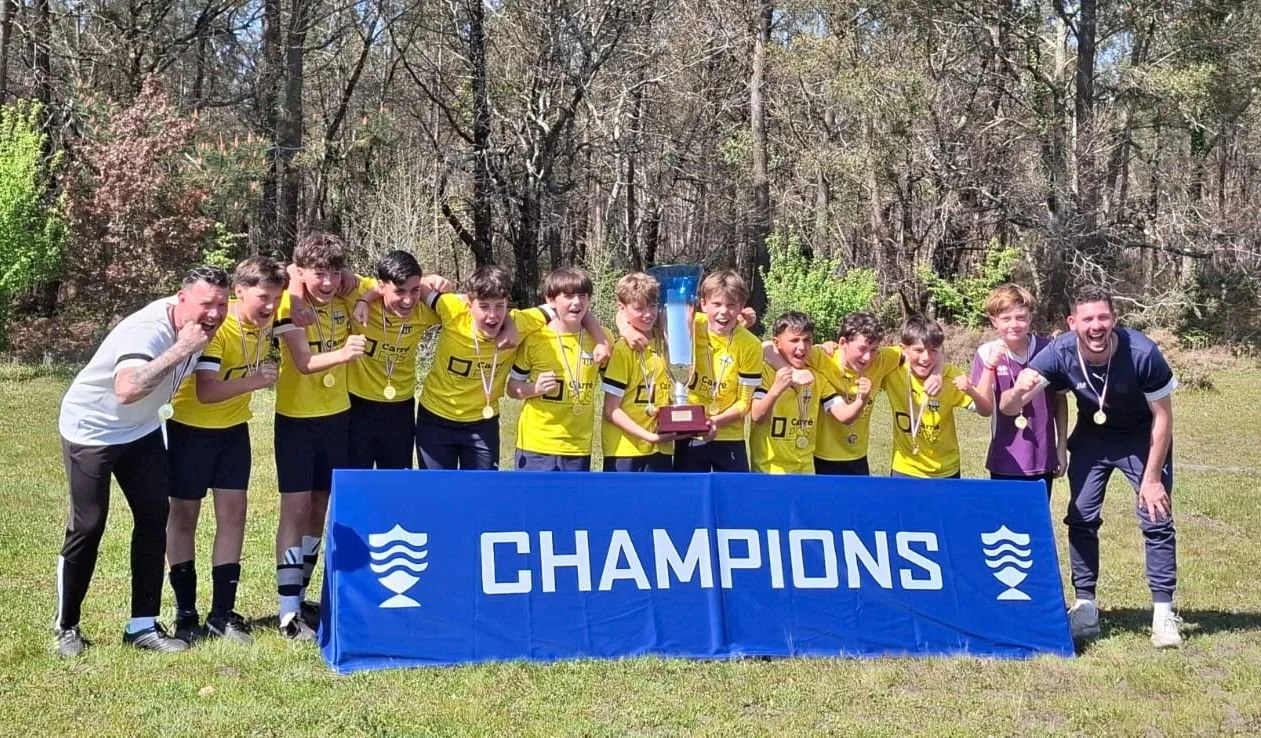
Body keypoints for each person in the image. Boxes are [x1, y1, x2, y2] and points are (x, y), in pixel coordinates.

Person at [54, 265, 229, 656]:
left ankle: (143, 626)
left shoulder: (204, 323)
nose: (214, 314)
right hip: (93, 429)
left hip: (141, 430)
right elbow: (127, 389)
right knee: (89, 524)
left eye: (221, 304)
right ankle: (66, 626)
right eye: (206, 304)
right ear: (181, 299)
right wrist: (183, 348)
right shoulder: (148, 330)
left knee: (154, 518)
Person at [1002, 284, 1181, 648]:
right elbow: (1007, 407)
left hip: (1140, 436)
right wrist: (1019, 391)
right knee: (1081, 517)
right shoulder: (1061, 352)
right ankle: (1085, 606)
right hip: (1093, 438)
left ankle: (1164, 614)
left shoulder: (1143, 353)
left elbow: (1163, 418)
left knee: (1156, 514)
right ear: (1073, 322)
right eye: (1087, 319)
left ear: (1114, 319)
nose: (1095, 326)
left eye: (1103, 317)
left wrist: (1151, 478)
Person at [165, 257, 285, 646]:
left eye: (276, 298)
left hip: (234, 431)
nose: (270, 306)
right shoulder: (221, 327)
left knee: (234, 516)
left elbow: (308, 276)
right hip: (190, 430)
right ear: (239, 292)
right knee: (183, 519)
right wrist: (253, 381)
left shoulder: (266, 319)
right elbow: (206, 390)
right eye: (262, 297)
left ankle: (222, 613)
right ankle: (185, 613)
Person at [271, 232, 367, 639]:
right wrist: (345, 353)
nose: (327, 283)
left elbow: (374, 286)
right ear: (303, 272)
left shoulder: (344, 295)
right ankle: (287, 612)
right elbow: (304, 361)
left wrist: (360, 295)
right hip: (296, 418)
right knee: (293, 510)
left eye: (333, 273)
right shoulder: (286, 304)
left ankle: (303, 594)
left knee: (319, 507)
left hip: (338, 417)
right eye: (317, 274)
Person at [344, 251, 444, 470]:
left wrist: (433, 284)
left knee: (395, 481)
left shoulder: (425, 309)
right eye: (399, 291)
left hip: (400, 407)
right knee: (356, 479)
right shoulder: (359, 292)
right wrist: (363, 298)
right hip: (357, 404)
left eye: (414, 290)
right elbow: (303, 272)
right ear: (381, 286)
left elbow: (465, 309)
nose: (408, 300)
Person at [507, 267, 610, 471]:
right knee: (532, 503)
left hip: (578, 446)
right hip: (536, 445)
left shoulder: (603, 339)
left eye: (582, 296)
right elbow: (512, 387)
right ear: (551, 300)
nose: (577, 302)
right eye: (569, 296)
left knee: (572, 503)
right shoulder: (536, 338)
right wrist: (534, 388)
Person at [970, 284, 1067, 498]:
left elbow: (1060, 399)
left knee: (1036, 521)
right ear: (994, 321)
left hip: (1042, 457)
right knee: (1004, 523)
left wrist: (1061, 447)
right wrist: (990, 368)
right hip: (1005, 458)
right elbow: (982, 406)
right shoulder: (987, 353)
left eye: (1021, 317)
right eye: (1006, 319)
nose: (1014, 324)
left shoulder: (1048, 349)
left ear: (1031, 317)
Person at [673, 270, 763, 473]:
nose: (724, 311)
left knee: (735, 499)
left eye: (731, 305)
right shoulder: (689, 325)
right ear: (703, 304)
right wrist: (626, 329)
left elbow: (744, 402)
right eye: (717, 304)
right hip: (689, 432)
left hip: (729, 436)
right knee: (690, 497)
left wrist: (713, 421)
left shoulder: (750, 345)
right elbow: (635, 312)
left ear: (741, 307)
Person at [882, 315, 992, 479]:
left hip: (946, 470)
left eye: (933, 350)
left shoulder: (951, 375)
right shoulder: (891, 370)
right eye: (918, 350)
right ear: (903, 349)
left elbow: (985, 411)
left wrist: (971, 391)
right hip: (904, 468)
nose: (926, 358)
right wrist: (830, 346)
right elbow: (863, 353)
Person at [749, 312, 846, 474]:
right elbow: (757, 417)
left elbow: (843, 414)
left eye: (807, 340)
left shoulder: (816, 377)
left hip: (805, 470)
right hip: (769, 470)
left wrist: (861, 399)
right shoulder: (766, 373)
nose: (802, 347)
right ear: (776, 343)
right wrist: (777, 389)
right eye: (794, 340)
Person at [600, 273, 677, 472]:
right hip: (626, 450)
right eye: (639, 308)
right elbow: (611, 410)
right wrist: (649, 436)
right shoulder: (623, 350)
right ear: (622, 309)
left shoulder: (667, 343)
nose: (648, 314)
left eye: (652, 306)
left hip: (662, 448)